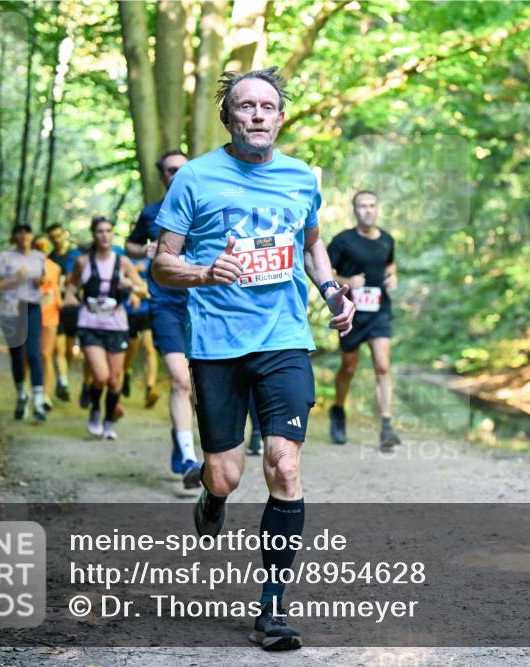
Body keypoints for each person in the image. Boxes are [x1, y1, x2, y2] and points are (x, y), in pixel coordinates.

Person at [152, 67, 355, 652]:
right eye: (247, 106)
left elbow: (311, 243)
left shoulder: (300, 177)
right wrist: (203, 270)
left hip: (284, 338)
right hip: (216, 343)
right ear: (229, 117)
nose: (259, 115)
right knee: (227, 473)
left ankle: (271, 609)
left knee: (285, 467)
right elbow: (163, 264)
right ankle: (211, 496)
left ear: (281, 117)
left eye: (269, 106)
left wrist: (331, 291)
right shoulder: (194, 178)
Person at [125, 150, 208, 487]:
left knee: (197, 387)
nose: (178, 175)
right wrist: (144, 251)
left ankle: (181, 435)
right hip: (166, 305)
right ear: (162, 177)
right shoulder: (151, 213)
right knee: (179, 380)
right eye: (171, 170)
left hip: (205, 305)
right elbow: (130, 246)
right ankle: (190, 459)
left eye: (184, 169)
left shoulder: (208, 206)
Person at [326, 190, 402, 450]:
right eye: (362, 206)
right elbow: (325, 274)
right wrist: (348, 282)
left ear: (377, 209)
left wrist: (392, 277)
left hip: (379, 311)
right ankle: (338, 411)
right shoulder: (342, 241)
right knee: (348, 368)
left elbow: (390, 265)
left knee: (382, 365)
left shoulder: (387, 240)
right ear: (354, 210)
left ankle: (387, 427)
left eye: (372, 205)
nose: (368, 210)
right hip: (352, 313)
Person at [64, 216, 146, 440]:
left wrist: (132, 287)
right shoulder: (83, 262)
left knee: (114, 379)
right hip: (90, 324)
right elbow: (71, 286)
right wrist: (70, 297)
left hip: (116, 324)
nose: (104, 235)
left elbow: (143, 288)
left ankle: (109, 421)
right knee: (100, 377)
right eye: (100, 231)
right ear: (94, 235)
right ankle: (95, 410)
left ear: (113, 234)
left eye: (108, 231)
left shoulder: (123, 263)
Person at [0, 224, 47, 422]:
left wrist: (39, 281)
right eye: (20, 232)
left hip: (32, 306)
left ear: (32, 236)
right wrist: (16, 278)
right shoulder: (5, 257)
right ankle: (21, 395)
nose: (24, 236)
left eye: (28, 232)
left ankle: (39, 403)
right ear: (15, 235)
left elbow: (44, 279)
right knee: (17, 354)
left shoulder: (39, 257)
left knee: (34, 352)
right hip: (11, 308)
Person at [45, 223, 82, 403]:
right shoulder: (50, 258)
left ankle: (63, 376)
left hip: (73, 307)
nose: (57, 239)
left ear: (65, 234)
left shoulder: (76, 255)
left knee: (69, 349)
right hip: (55, 308)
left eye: (59, 235)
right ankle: (63, 382)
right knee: (58, 349)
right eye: (53, 237)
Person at [122, 255, 159, 407]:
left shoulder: (150, 259)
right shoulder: (122, 258)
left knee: (149, 348)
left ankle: (150, 388)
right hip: (126, 312)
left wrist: (139, 291)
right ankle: (125, 374)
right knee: (130, 349)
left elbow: (151, 287)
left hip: (145, 312)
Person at [35, 238, 63, 411]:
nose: (42, 249)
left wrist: (60, 300)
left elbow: (56, 287)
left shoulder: (55, 267)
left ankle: (46, 396)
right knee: (31, 356)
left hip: (51, 316)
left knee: (46, 354)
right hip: (31, 315)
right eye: (38, 246)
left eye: (45, 247)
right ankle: (30, 392)